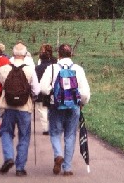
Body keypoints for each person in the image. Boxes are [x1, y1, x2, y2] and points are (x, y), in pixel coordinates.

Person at [0, 42, 40, 177]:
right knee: (24, 136)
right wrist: (32, 97)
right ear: (25, 54)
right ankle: (20, 168)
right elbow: (36, 90)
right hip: (24, 108)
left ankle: (8, 157)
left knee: (6, 132)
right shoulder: (30, 70)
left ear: (13, 54)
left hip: (8, 106)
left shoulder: (5, 68)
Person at [40, 43, 91, 176]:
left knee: (55, 133)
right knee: (70, 136)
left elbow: (43, 88)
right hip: (74, 106)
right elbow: (85, 92)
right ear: (71, 54)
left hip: (56, 106)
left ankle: (58, 155)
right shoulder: (78, 69)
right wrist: (82, 102)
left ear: (59, 55)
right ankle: (67, 168)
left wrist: (53, 92)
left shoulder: (52, 68)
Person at [35, 43, 58, 135]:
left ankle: (46, 128)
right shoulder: (55, 62)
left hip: (41, 90)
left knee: (42, 109)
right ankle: (53, 125)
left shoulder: (37, 67)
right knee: (52, 108)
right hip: (52, 89)